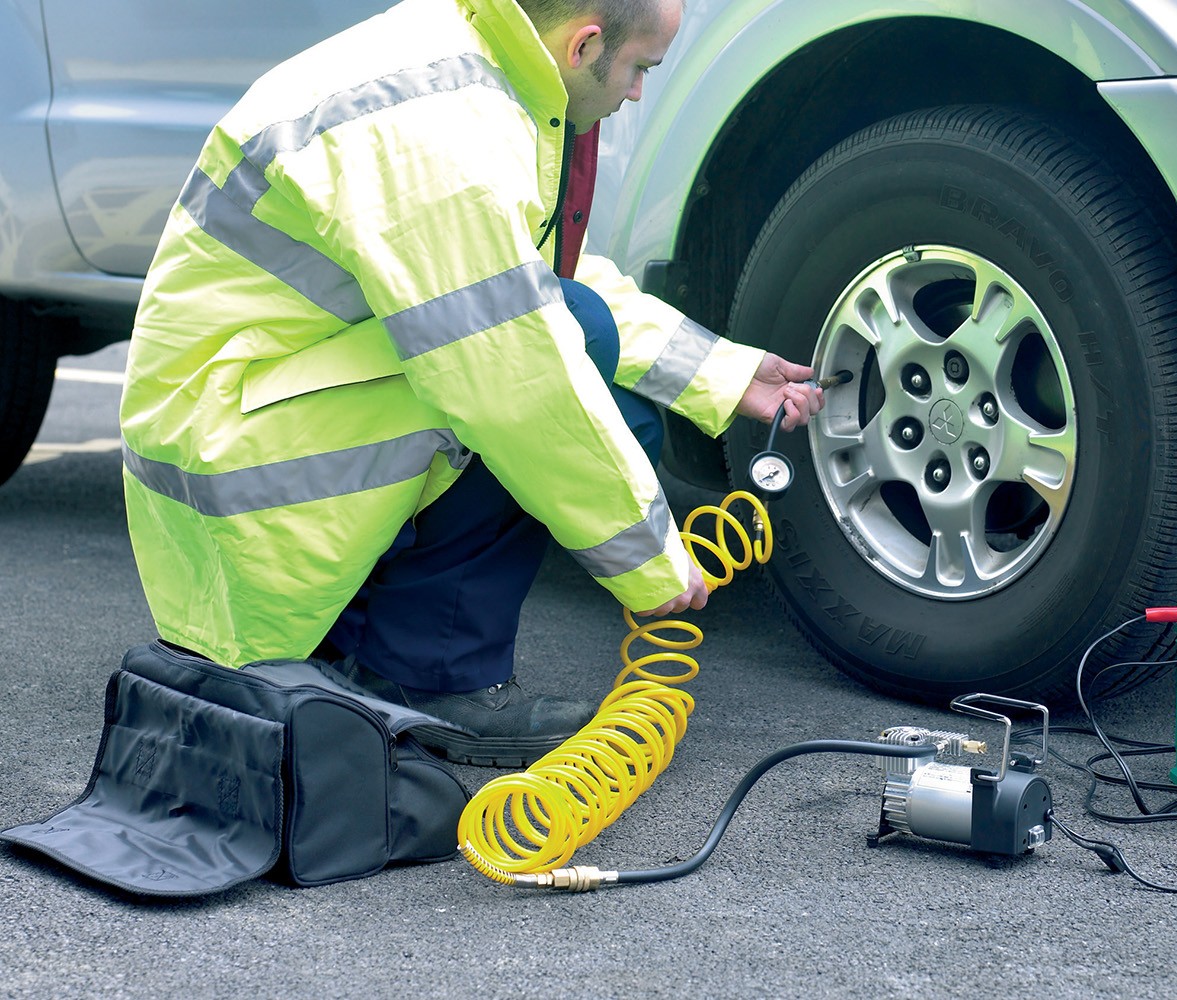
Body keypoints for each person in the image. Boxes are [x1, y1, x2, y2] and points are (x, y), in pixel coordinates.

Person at [119, 0, 823, 767]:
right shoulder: (440, 131)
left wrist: (725, 373)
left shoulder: (469, 60)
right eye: (638, 69)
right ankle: (425, 674)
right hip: (231, 474)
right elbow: (514, 370)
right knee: (548, 358)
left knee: (609, 390)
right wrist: (650, 559)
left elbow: (527, 277)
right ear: (585, 45)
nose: (636, 94)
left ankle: (359, 636)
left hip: (261, 419)